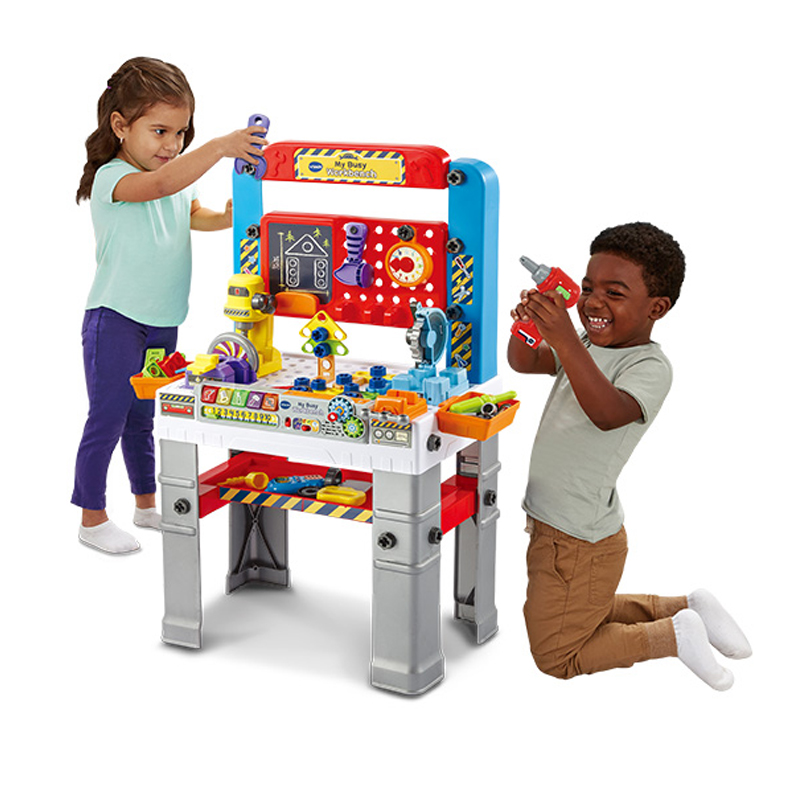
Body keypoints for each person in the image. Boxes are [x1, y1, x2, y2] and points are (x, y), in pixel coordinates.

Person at [508, 222, 751, 690]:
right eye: (587, 288)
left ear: (656, 308)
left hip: (574, 537)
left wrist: (564, 337)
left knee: (557, 653)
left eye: (614, 293)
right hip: (566, 526)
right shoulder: (584, 343)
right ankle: (690, 609)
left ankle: (672, 637)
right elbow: (524, 361)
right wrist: (531, 326)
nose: (592, 303)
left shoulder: (649, 365)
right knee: (583, 612)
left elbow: (607, 414)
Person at [72, 57, 267, 555]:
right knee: (107, 418)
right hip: (116, 320)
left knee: (143, 417)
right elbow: (161, 188)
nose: (172, 145)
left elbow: (188, 211)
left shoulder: (172, 175)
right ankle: (92, 519)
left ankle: (144, 504)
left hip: (162, 322)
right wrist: (219, 146)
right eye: (160, 131)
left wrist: (224, 218)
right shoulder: (113, 178)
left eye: (180, 133)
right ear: (120, 126)